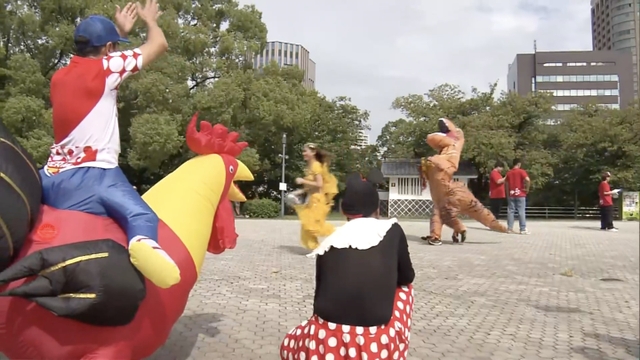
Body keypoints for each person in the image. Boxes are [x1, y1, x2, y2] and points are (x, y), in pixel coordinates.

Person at [40, 0, 180, 289]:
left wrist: (115, 33)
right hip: (94, 176)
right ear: (107, 49)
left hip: (50, 179)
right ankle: (145, 251)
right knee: (141, 214)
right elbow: (159, 45)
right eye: (114, 46)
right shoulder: (107, 68)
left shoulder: (59, 77)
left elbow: (94, 65)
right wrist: (150, 21)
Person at [280, 171, 415, 360]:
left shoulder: (330, 241)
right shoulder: (392, 230)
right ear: (377, 210)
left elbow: (320, 292)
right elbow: (407, 277)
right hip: (373, 338)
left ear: (344, 212)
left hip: (324, 337)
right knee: (405, 289)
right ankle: (391, 350)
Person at [291, 143, 338, 250]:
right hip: (311, 199)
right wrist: (300, 191)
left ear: (313, 153)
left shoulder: (316, 165)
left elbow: (319, 184)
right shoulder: (310, 166)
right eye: (303, 151)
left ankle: (338, 233)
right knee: (307, 225)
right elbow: (311, 186)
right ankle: (315, 248)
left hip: (317, 200)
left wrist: (303, 180)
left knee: (315, 227)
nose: (303, 153)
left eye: (305, 151)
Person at [505, 158, 531, 235]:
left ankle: (509, 228)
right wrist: (527, 188)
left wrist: (507, 194)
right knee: (521, 211)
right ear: (519, 164)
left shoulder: (509, 173)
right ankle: (522, 229)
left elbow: (506, 184)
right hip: (520, 194)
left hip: (511, 194)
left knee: (511, 211)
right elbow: (528, 180)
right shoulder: (521, 171)